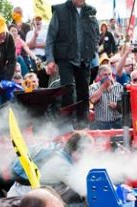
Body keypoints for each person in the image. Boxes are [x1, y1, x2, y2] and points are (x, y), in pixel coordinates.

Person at [45, 0, 99, 128]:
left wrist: (93, 49)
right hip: (65, 58)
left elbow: (96, 34)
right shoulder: (60, 11)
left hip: (84, 59)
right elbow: (50, 37)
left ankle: (82, 127)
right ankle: (66, 126)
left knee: (84, 94)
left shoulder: (91, 12)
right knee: (67, 90)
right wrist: (50, 59)